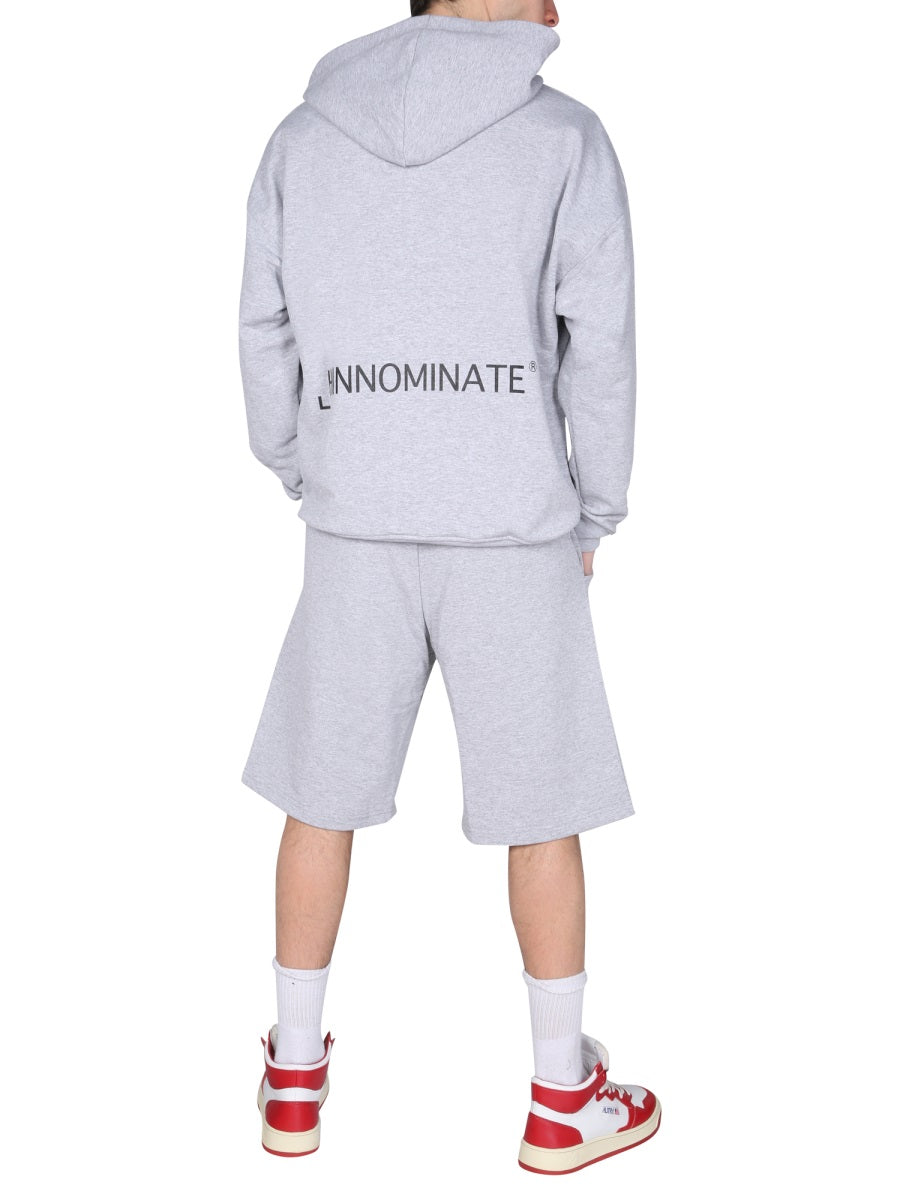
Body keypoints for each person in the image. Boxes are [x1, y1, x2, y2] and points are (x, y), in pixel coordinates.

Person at [239, 0, 660, 1174]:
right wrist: (596, 509)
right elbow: (602, 347)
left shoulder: (303, 138)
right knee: (542, 810)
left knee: (319, 799)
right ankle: (561, 1100)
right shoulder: (564, 138)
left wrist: (305, 465)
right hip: (512, 528)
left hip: (354, 524)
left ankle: (292, 1084)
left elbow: (264, 329)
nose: (561, 7)